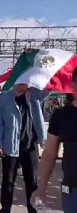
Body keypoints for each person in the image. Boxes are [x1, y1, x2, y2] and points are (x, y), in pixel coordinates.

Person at [0, 84, 48, 213]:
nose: (26, 84)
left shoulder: (34, 95)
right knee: (8, 181)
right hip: (10, 146)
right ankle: (5, 209)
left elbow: (48, 89)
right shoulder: (4, 98)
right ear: (16, 82)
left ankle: (33, 210)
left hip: (30, 146)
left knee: (32, 182)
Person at [31, 67, 77, 212]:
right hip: (72, 190)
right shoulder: (61, 115)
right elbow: (50, 153)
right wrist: (41, 188)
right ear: (74, 84)